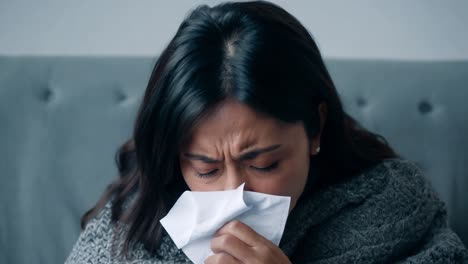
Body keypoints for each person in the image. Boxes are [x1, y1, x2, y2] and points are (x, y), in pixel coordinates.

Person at [65, 1, 468, 263]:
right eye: (206, 169)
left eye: (263, 162)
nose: (234, 194)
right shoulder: (134, 224)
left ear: (315, 129)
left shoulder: (391, 206)